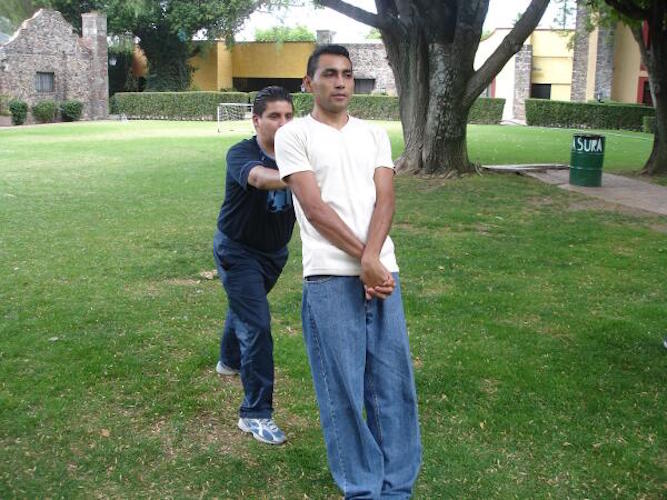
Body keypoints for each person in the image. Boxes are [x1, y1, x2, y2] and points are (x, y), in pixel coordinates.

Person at [275, 45, 422, 498]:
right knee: (342, 392)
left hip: (382, 275)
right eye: (329, 74)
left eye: (347, 74)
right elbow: (314, 208)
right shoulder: (293, 135)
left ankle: (396, 487)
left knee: (393, 385)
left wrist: (374, 260)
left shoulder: (373, 133)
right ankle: (362, 488)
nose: (340, 82)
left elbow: (386, 198)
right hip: (329, 278)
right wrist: (366, 260)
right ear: (308, 83)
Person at [213, 86, 295, 445]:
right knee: (257, 324)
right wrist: (305, 175)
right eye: (274, 116)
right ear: (256, 120)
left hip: (274, 254)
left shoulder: (299, 153)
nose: (283, 123)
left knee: (246, 309)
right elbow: (260, 178)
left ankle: (229, 361)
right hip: (237, 251)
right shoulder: (241, 153)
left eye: (289, 116)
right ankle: (256, 414)